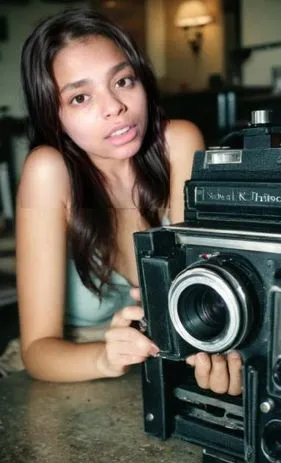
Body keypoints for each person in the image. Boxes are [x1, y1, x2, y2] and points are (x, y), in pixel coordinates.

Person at [16, 7, 242, 394]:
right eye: (81, 97)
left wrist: (224, 354)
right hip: (75, 375)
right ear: (53, 116)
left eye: (122, 81)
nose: (115, 107)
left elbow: (209, 293)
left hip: (170, 365)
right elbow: (37, 351)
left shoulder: (179, 144)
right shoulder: (48, 172)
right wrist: (104, 357)